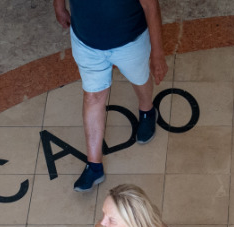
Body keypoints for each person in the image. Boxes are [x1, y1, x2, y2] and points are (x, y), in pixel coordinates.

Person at [53, 0, 168, 192]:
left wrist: (157, 53)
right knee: (93, 97)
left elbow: (150, 6)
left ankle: (147, 110)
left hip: (131, 42)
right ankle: (94, 166)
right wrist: (58, 6)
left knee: (139, 80)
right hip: (86, 43)